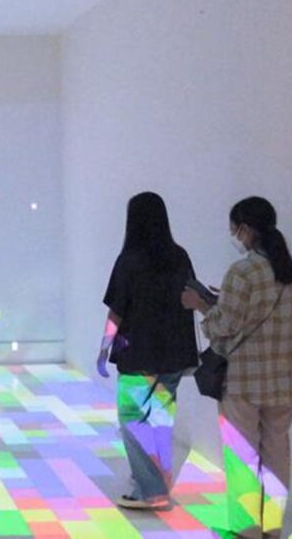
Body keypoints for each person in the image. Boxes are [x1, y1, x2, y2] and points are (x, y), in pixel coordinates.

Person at [182, 197, 292, 539]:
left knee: (242, 458)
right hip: (284, 379)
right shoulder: (291, 271)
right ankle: (273, 529)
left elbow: (224, 325)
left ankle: (246, 531)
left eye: (235, 229)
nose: (234, 235)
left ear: (246, 229)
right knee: (277, 454)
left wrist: (201, 305)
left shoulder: (243, 271)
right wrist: (226, 300)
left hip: (243, 380)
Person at [96, 192, 199, 510]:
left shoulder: (129, 260)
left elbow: (117, 311)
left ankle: (150, 491)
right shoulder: (179, 256)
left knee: (133, 421)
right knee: (160, 421)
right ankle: (155, 481)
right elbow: (191, 298)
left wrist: (104, 348)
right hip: (173, 353)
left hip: (138, 354)